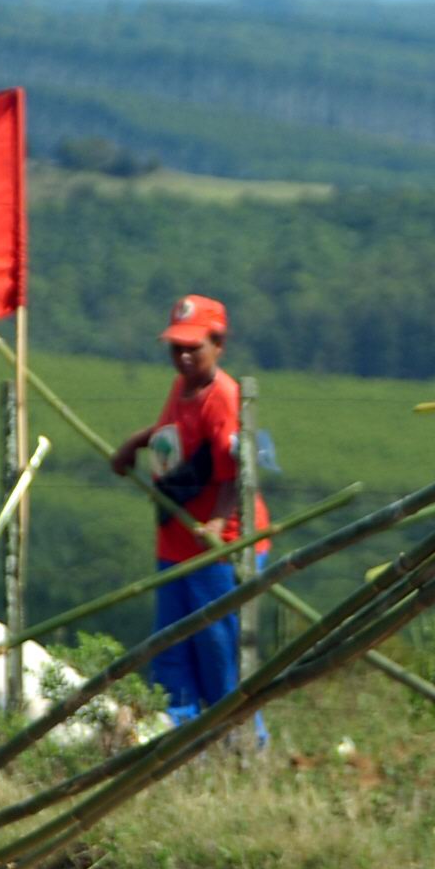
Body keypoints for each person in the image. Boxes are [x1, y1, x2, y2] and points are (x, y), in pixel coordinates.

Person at [110, 294, 270, 745]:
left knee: (219, 654)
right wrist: (134, 444)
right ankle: (180, 742)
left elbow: (235, 474)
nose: (182, 356)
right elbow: (171, 433)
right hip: (177, 544)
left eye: (193, 347)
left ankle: (237, 743)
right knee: (173, 653)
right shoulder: (183, 386)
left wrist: (218, 526)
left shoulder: (224, 399)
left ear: (218, 345)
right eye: (175, 347)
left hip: (219, 553)